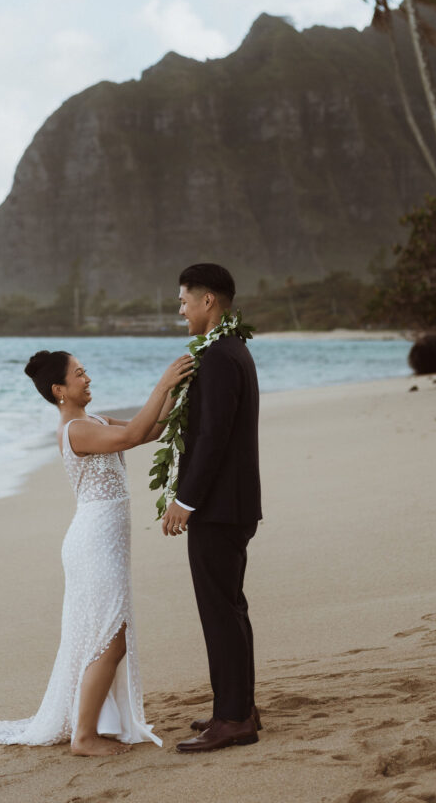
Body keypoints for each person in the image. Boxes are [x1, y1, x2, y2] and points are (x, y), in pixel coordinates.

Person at [0, 348, 193, 756]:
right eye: (79, 374)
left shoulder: (93, 421)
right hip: (93, 542)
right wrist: (163, 382)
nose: (88, 378)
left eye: (85, 371)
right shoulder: (74, 430)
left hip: (108, 542)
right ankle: (83, 736)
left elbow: (151, 430)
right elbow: (133, 435)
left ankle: (90, 726)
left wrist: (180, 386)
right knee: (110, 639)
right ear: (59, 390)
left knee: (108, 636)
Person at [161, 263, 263, 753]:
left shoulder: (220, 356)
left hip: (219, 507)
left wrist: (185, 500)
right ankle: (238, 708)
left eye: (183, 300)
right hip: (232, 504)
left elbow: (213, 436)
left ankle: (234, 718)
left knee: (220, 612)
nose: (179, 309)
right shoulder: (229, 349)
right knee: (230, 608)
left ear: (208, 302)